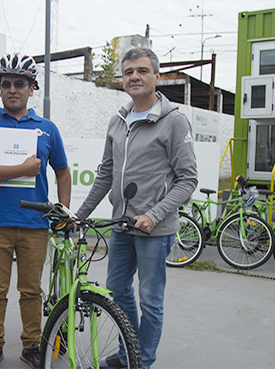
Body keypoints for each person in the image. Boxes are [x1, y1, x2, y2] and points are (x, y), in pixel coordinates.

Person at [76, 47, 198, 369]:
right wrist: (80, 216)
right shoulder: (118, 121)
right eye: (129, 71)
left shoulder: (173, 122)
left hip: (154, 231)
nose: (135, 77)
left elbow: (187, 180)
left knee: (151, 301)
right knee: (117, 291)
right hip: (121, 226)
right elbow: (105, 173)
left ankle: (141, 362)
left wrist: (153, 215)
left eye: (142, 71)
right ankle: (127, 350)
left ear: (157, 77)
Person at [0, 53, 71, 369]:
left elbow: (63, 172)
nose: (13, 89)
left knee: (31, 291)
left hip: (35, 221)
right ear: (0, 88)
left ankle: (31, 345)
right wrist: (22, 168)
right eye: (7, 83)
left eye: (20, 84)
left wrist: (63, 211)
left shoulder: (48, 129)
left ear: (31, 88)